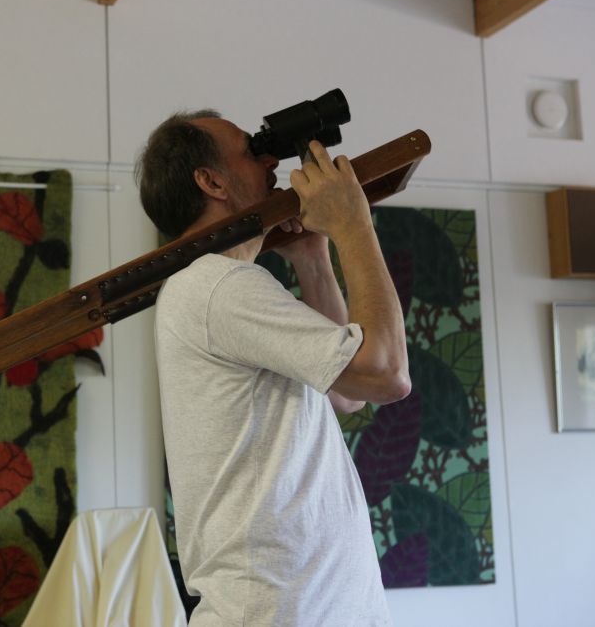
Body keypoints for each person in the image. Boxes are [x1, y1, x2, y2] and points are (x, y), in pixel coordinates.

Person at [136, 110, 411, 626]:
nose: (270, 161)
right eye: (249, 151)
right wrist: (352, 223)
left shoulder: (222, 287)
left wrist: (313, 256)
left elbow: (348, 392)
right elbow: (386, 373)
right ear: (212, 181)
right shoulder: (217, 285)